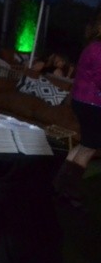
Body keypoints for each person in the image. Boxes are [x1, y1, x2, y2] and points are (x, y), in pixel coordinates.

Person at [54, 16, 101, 208]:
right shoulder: (98, 49)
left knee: (84, 144)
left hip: (83, 101)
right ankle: (69, 190)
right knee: (89, 148)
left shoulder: (93, 46)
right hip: (93, 104)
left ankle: (59, 183)